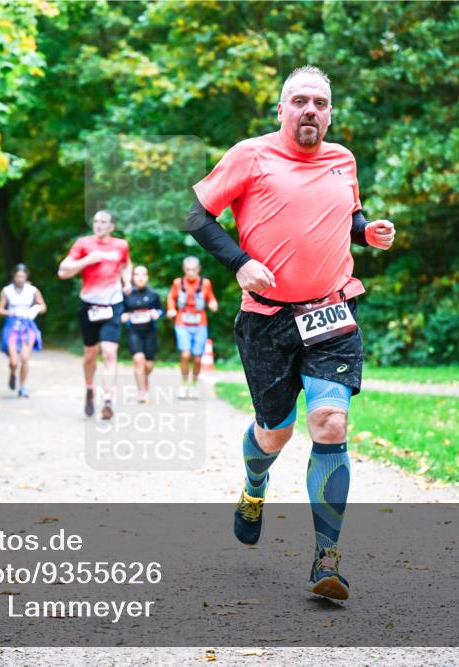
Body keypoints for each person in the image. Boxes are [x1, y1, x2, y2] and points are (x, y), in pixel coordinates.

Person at [186, 65, 395, 601]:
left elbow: (347, 216)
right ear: (281, 110)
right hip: (266, 320)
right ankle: (255, 486)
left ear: (329, 113)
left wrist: (366, 232)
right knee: (273, 433)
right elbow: (197, 216)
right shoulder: (249, 155)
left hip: (332, 312)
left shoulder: (343, 159)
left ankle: (327, 557)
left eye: (320, 103)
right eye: (299, 101)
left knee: (329, 421)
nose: (310, 111)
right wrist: (238, 262)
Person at [57, 209, 132, 420]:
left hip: (113, 304)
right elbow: (62, 271)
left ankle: (108, 399)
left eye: (103, 221)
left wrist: (127, 282)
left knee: (109, 352)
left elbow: (126, 264)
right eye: (96, 221)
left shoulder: (121, 245)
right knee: (90, 353)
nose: (98, 224)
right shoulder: (83, 243)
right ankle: (89, 389)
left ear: (111, 226)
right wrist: (87, 260)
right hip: (89, 303)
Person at [166, 256, 218, 399]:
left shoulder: (205, 283)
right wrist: (171, 309)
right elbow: (171, 297)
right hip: (182, 322)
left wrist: (213, 303)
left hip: (200, 323)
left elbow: (211, 297)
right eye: (188, 269)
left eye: (193, 270)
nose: (190, 272)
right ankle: (184, 385)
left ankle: (193, 385)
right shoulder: (178, 283)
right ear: (184, 269)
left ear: (198, 269)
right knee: (185, 354)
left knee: (197, 358)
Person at [0, 264, 46, 398]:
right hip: (12, 325)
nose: (20, 279)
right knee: (14, 361)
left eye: (23, 276)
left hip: (28, 325)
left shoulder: (33, 290)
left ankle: (23, 387)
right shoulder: (6, 291)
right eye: (18, 276)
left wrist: (34, 310)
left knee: (25, 358)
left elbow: (43, 306)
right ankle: (13, 373)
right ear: (14, 277)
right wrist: (9, 311)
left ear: (26, 277)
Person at [121, 265, 163, 403]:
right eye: (137, 274)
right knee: (138, 359)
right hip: (134, 332)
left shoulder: (153, 294)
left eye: (143, 274)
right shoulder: (126, 295)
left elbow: (161, 311)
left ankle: (143, 380)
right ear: (132, 277)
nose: (140, 277)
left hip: (150, 332)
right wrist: (123, 316)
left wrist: (156, 313)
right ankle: (141, 391)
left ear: (147, 277)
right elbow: (120, 312)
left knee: (148, 365)